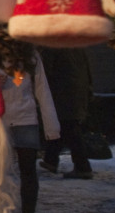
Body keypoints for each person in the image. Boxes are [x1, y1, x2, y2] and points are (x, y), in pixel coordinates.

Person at [1, 46, 60, 213]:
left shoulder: (30, 55)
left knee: (27, 170)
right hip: (2, 118)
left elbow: (42, 89)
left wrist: (52, 127)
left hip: (23, 118)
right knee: (3, 171)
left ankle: (27, 209)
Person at [39, 46, 94, 179]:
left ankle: (83, 166)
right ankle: (50, 160)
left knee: (69, 127)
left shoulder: (52, 48)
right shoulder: (76, 48)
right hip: (76, 92)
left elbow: (45, 71)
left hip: (62, 93)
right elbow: (87, 70)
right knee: (64, 125)